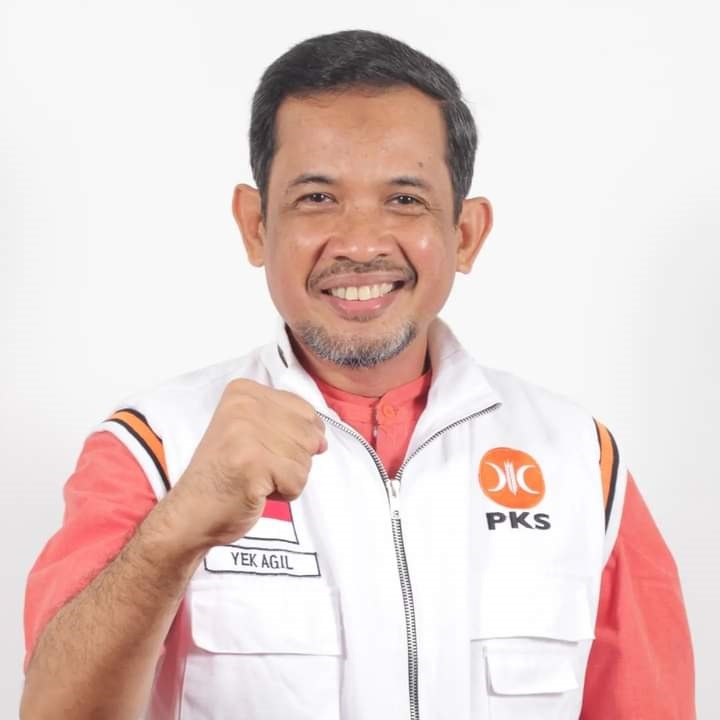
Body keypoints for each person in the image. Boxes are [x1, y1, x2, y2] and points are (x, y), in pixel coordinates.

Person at [20, 29, 694, 720]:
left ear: (465, 234)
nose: (361, 244)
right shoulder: (153, 448)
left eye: (405, 199)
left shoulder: (582, 463)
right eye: (317, 198)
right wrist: (175, 533)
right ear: (255, 226)